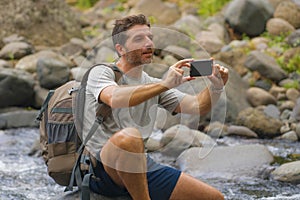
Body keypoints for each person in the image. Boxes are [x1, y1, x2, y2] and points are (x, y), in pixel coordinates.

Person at [83, 14, 228, 200]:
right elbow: (113, 98)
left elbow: (197, 106)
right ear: (120, 48)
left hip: (138, 163)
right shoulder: (100, 72)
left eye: (150, 37)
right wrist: (165, 84)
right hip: (100, 167)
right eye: (139, 39)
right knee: (130, 137)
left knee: (214, 198)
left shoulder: (152, 83)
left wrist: (216, 86)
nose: (149, 43)